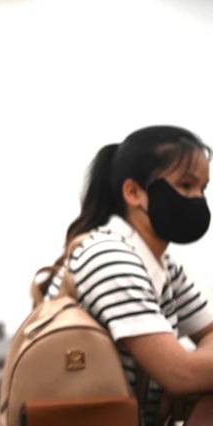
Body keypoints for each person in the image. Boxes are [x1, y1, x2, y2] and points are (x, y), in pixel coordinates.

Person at [47, 125, 213, 425]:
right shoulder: (109, 258)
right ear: (133, 192)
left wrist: (193, 369)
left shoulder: (161, 263)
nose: (197, 198)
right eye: (186, 185)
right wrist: (187, 372)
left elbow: (208, 335)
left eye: (203, 188)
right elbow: (181, 374)